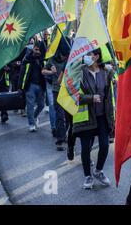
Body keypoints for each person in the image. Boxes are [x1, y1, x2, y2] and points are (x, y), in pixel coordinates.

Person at [73, 49, 115, 190]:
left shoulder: (106, 72)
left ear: (96, 57)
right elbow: (74, 94)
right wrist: (91, 98)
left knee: (104, 145)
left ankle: (98, 171)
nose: (86, 57)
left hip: (103, 115)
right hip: (86, 116)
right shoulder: (80, 72)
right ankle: (88, 176)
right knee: (86, 148)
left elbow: (110, 95)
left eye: (89, 55)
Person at [43, 38, 71, 149]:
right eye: (63, 55)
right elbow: (43, 71)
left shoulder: (69, 59)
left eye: (66, 55)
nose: (65, 57)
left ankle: (65, 134)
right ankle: (60, 140)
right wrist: (51, 72)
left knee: (68, 116)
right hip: (56, 90)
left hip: (68, 90)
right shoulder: (52, 60)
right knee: (59, 116)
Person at [19, 42, 46, 132]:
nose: (37, 51)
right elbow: (23, 69)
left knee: (41, 105)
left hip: (41, 85)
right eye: (36, 49)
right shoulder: (28, 57)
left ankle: (34, 116)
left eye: (39, 50)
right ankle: (31, 124)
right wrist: (20, 86)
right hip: (30, 85)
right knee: (30, 106)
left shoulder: (43, 59)